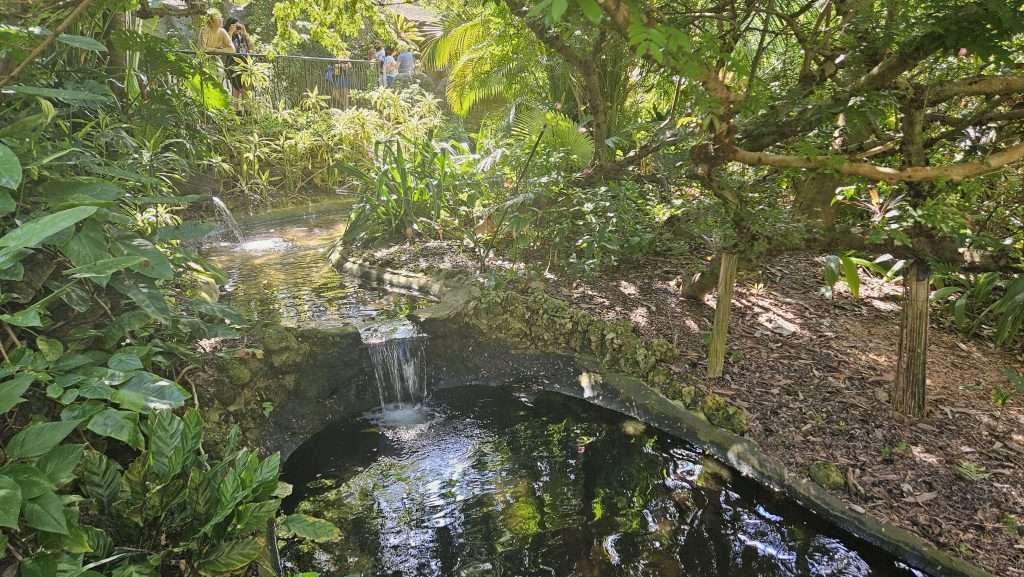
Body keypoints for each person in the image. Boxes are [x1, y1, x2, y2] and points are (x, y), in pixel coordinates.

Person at [224, 17, 251, 99]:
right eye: (235, 25)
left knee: (245, 88)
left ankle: (246, 110)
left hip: (245, 63)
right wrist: (231, 32)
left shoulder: (241, 35)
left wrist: (245, 32)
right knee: (237, 89)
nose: (237, 28)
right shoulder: (227, 34)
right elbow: (226, 45)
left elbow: (251, 47)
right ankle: (237, 110)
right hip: (233, 64)